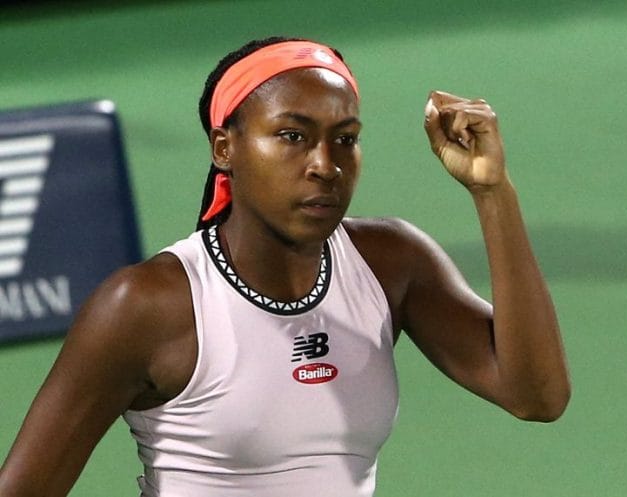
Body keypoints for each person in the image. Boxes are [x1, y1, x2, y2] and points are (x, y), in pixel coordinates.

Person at [0, 36, 570, 497]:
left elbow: (537, 396)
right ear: (225, 149)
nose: (325, 165)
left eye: (345, 139)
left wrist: (492, 192)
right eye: (292, 136)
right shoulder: (149, 305)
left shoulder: (390, 262)